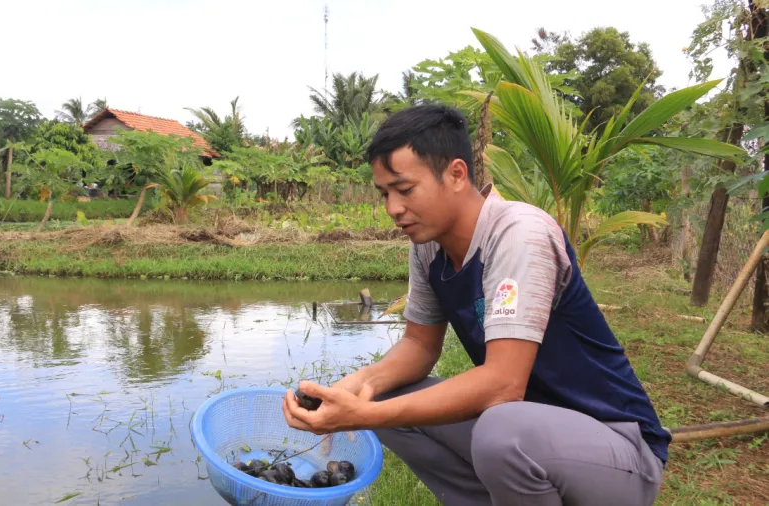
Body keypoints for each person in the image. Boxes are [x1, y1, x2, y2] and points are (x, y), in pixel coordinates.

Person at [282, 104, 670, 506]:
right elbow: (419, 347)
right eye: (384, 193)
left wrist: (364, 418)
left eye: (405, 189)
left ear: (455, 174)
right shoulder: (428, 246)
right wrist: (354, 389)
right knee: (384, 397)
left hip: (618, 450)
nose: (393, 209)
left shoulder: (519, 235)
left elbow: (503, 383)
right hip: (529, 428)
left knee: (500, 431)